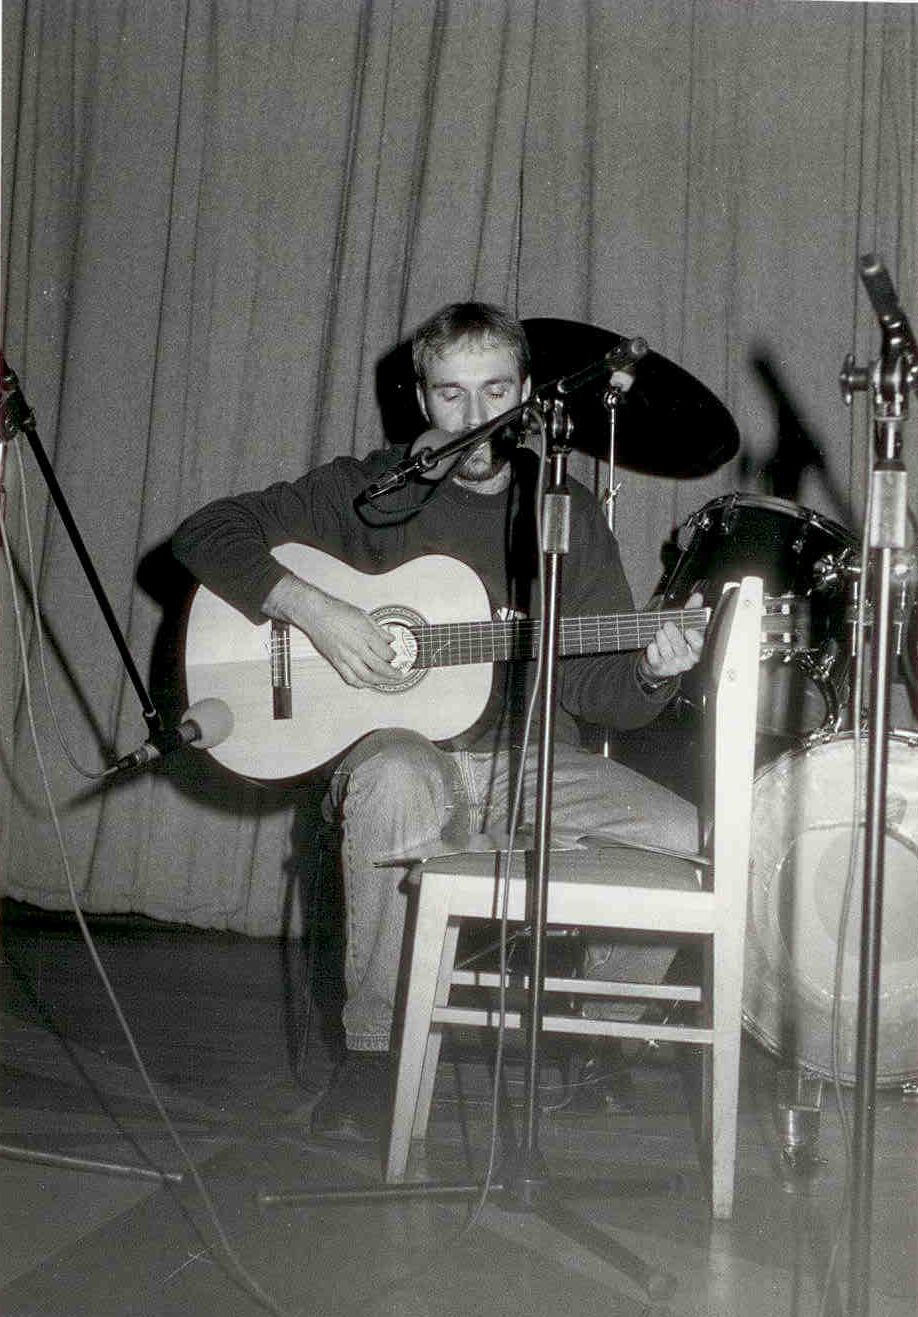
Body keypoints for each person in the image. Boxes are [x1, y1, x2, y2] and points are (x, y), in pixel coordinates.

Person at [172, 303, 704, 1143]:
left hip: (530, 761)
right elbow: (206, 532)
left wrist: (652, 668)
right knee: (396, 775)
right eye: (451, 393)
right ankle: (376, 1056)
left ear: (526, 393)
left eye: (494, 390)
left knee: (691, 839)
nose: (473, 414)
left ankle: (597, 1031)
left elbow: (603, 690)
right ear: (422, 397)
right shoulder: (370, 490)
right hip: (401, 753)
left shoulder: (563, 510)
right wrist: (316, 611)